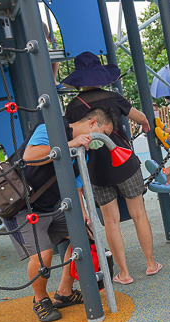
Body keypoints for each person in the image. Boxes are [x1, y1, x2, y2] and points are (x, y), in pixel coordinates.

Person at [62, 52, 162, 285]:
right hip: (125, 163)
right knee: (139, 214)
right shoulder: (113, 97)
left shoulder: (73, 107)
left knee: (111, 221)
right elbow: (140, 117)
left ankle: (124, 274)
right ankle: (151, 264)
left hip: (96, 170)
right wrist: (145, 123)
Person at [8, 106, 114, 322]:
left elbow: (77, 188)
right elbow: (30, 156)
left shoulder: (83, 151)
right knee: (43, 256)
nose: (101, 142)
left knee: (83, 236)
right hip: (24, 206)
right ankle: (40, 300)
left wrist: (84, 216)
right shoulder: (51, 129)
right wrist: (69, 145)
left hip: (53, 205)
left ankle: (64, 292)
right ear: (93, 124)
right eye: (103, 135)